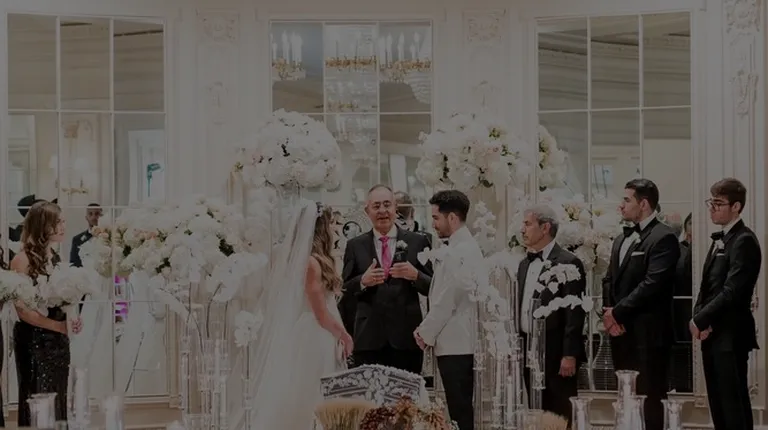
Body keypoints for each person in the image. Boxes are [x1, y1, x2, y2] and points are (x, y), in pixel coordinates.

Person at [232, 200, 352, 430]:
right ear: (322, 228)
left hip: (322, 332)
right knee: (312, 391)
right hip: (315, 334)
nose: (335, 229)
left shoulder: (314, 260)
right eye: (332, 224)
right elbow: (320, 313)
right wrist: (344, 336)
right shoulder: (311, 264)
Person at [601, 178, 679, 430]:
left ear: (643, 204)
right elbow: (608, 279)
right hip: (620, 334)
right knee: (625, 400)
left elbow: (651, 284)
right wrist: (609, 315)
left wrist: (617, 314)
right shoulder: (619, 239)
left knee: (650, 401)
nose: (621, 206)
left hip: (648, 336)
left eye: (626, 200)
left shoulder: (664, 237)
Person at [339, 184, 433, 375]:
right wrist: (362, 281)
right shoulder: (355, 245)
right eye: (376, 206)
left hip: (407, 339)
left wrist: (415, 275)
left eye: (387, 204)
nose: (382, 210)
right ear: (367, 211)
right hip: (368, 339)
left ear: (395, 207)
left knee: (407, 394)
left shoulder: (417, 241)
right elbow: (344, 291)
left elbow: (433, 287)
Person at [691, 178, 760, 430]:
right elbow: (707, 286)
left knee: (733, 406)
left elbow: (732, 291)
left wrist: (701, 319)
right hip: (712, 334)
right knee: (718, 404)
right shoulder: (720, 239)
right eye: (711, 202)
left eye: (718, 203)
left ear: (736, 206)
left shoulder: (744, 240)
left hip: (731, 335)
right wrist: (699, 318)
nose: (712, 208)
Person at [10, 201, 83, 425]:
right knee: (37, 397)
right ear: (42, 225)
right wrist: (59, 326)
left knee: (59, 397)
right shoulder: (22, 260)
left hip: (58, 340)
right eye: (57, 222)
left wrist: (71, 319)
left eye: (63, 221)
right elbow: (23, 311)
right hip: (34, 340)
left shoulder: (55, 257)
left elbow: (60, 300)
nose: (63, 226)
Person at [414, 190, 479, 430]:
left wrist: (425, 332)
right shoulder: (459, 247)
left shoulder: (463, 250)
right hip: (452, 342)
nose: (433, 224)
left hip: (458, 343)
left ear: (452, 218)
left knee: (460, 411)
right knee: (455, 410)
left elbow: (449, 297)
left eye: (436, 217)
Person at [517, 204, 586, 422]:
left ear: (545, 227)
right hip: (528, 350)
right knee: (536, 412)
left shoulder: (569, 262)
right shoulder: (524, 264)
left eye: (527, 224)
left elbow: (575, 313)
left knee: (559, 413)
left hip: (556, 353)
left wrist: (569, 354)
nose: (522, 229)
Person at [69, 203, 102, 267]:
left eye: (97, 214)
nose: (93, 217)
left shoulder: (109, 237)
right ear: (86, 217)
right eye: (90, 214)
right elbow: (73, 264)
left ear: (101, 216)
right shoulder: (77, 239)